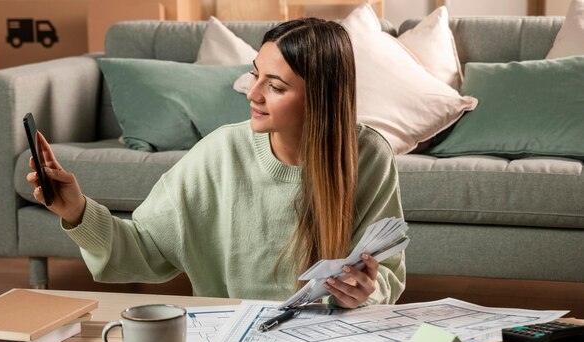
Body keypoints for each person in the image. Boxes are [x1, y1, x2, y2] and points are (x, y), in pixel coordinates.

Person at [27, 18, 405, 308]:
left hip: (334, 336)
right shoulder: (220, 152)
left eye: (275, 86)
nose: (252, 92)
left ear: (321, 98)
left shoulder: (368, 156)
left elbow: (386, 273)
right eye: (255, 74)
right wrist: (76, 211)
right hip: (231, 336)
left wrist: (365, 292)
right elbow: (144, 249)